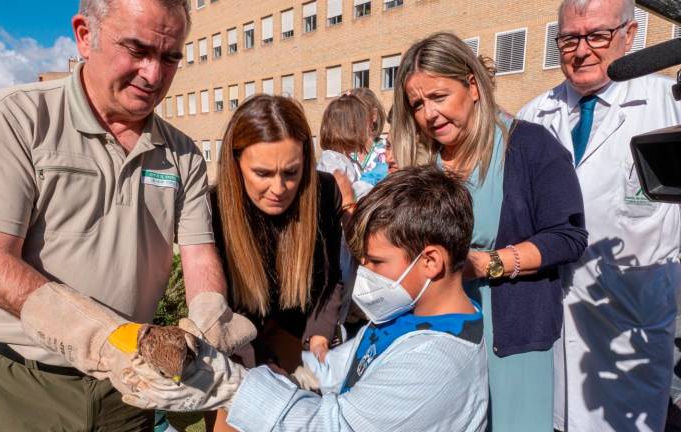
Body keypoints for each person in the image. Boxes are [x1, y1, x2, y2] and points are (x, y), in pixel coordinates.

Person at [0, 0, 253, 430]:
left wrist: (208, 329)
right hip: (27, 384)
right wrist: (110, 342)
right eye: (137, 50)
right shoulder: (12, 119)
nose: (154, 74)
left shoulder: (182, 154)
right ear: (85, 35)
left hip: (128, 389)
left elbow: (199, 255)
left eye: (169, 57)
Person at [121, 165, 489, 431]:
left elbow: (332, 425)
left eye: (376, 261)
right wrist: (275, 356)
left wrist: (224, 383)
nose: (365, 272)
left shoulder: (436, 363)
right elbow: (344, 371)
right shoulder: (410, 319)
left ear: (431, 261)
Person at [389, 32, 588, 431]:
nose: (429, 114)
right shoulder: (422, 166)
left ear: (473, 85)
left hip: (513, 338)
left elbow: (567, 238)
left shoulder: (529, 146)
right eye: (417, 104)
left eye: (439, 96)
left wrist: (486, 264)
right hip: (441, 338)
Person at [517, 0, 681, 430]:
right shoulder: (533, 116)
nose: (582, 50)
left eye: (598, 35)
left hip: (633, 326)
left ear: (629, 35)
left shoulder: (669, 106)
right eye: (570, 38)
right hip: (550, 319)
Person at [206, 94, 345, 430]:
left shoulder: (324, 192)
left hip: (300, 339)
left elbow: (331, 278)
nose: (279, 188)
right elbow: (217, 311)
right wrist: (261, 365)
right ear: (236, 163)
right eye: (263, 173)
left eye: (292, 172)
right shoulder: (213, 209)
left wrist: (319, 337)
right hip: (237, 350)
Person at [316, 94, 375, 200]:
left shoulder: (346, 159)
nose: (370, 128)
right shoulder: (331, 161)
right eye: (365, 123)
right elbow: (342, 195)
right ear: (351, 127)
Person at [347, 88, 389, 185]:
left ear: (373, 115)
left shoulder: (388, 150)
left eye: (358, 115)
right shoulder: (343, 151)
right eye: (348, 115)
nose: (351, 121)